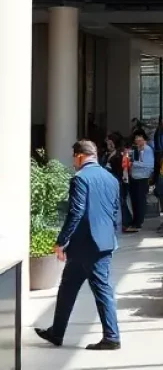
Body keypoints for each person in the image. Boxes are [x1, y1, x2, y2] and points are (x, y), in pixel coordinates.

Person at [35, 140, 121, 351]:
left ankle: (112, 337)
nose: (73, 162)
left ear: (80, 156)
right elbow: (115, 210)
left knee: (101, 291)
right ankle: (56, 332)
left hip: (85, 245)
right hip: (102, 243)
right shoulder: (111, 178)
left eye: (74, 157)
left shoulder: (80, 179)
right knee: (67, 289)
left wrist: (61, 241)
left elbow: (76, 212)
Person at [126, 129, 154, 233]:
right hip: (133, 177)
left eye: (139, 139)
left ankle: (138, 223)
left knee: (140, 201)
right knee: (134, 201)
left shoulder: (147, 150)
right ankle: (134, 221)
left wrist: (133, 163)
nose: (137, 141)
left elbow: (149, 165)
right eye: (136, 139)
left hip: (142, 178)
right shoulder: (135, 150)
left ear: (144, 140)